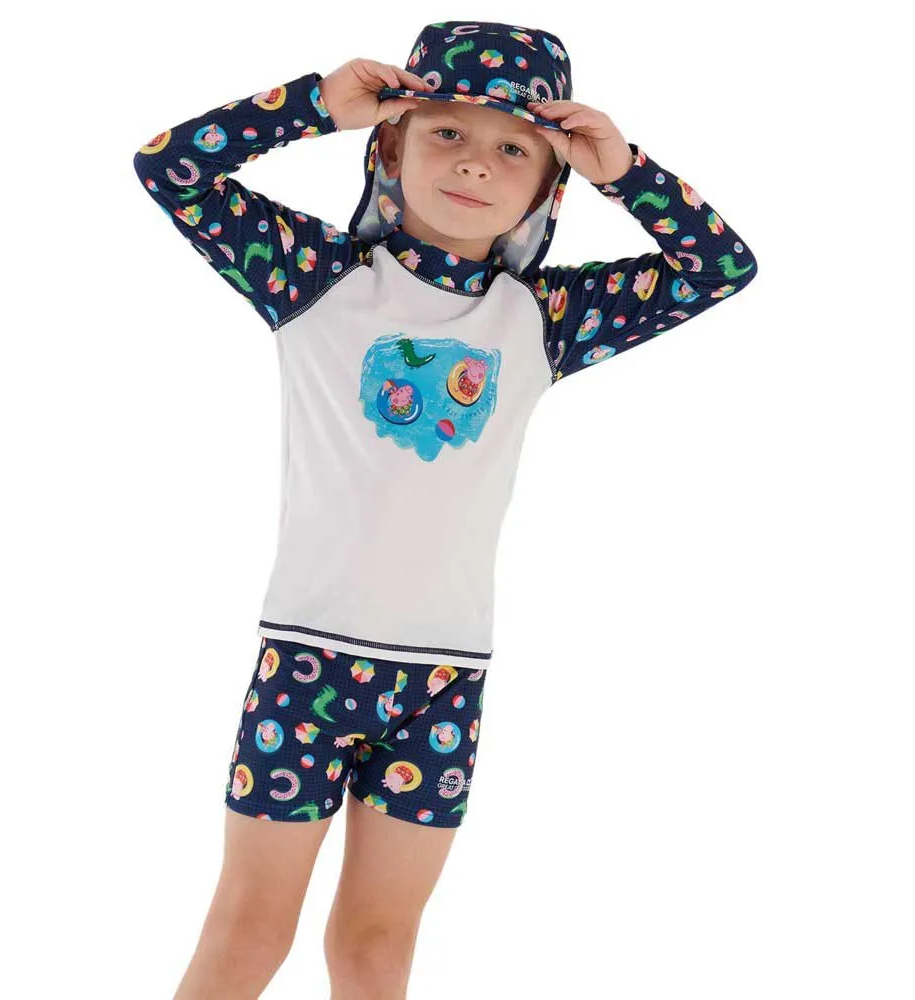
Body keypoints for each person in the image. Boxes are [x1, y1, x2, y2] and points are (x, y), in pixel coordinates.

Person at [132, 19, 758, 999]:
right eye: (448, 133)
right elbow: (169, 169)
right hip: (307, 664)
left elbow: (718, 269)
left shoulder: (543, 320)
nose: (475, 163)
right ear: (391, 144)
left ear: (548, 186)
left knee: (377, 946)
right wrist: (312, 107)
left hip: (443, 680)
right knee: (250, 930)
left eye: (513, 149)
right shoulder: (313, 277)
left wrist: (625, 172)